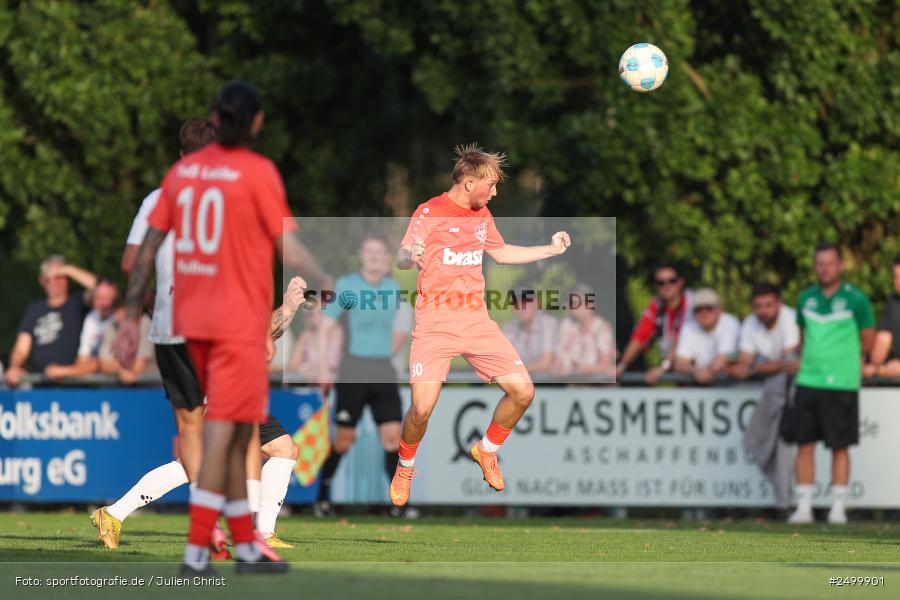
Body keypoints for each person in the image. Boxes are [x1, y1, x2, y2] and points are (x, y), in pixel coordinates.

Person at [116, 82, 301, 575]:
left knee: (195, 436)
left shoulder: (170, 187)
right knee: (238, 438)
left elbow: (136, 259)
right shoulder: (246, 177)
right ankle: (246, 543)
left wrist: (133, 318)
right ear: (252, 125)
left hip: (169, 331)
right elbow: (262, 256)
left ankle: (204, 546)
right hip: (220, 329)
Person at [389, 144, 571, 507]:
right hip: (435, 324)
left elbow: (501, 253)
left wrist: (549, 250)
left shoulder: (482, 213)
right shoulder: (429, 211)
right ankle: (406, 465)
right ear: (469, 182)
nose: (495, 191)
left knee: (523, 392)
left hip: (476, 322)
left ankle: (487, 449)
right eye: (491, 184)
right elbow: (403, 257)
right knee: (422, 409)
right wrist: (411, 255)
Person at [313, 234, 410, 517]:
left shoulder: (393, 289)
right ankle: (322, 498)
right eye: (369, 251)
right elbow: (325, 328)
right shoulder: (347, 286)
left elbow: (400, 333)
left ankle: (398, 503)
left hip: (383, 369)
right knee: (344, 439)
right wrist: (322, 366)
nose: (375, 256)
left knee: (393, 437)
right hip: (353, 368)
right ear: (361, 256)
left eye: (380, 252)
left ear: (386, 258)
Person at [788, 242, 875, 525]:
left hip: (841, 382)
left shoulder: (856, 299)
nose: (824, 268)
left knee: (840, 446)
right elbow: (803, 336)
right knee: (804, 445)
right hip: (808, 379)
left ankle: (838, 508)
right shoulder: (805, 298)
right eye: (819, 263)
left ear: (840, 266)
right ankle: (804, 507)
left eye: (830, 263)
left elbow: (868, 339)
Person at [5, 256, 99, 386]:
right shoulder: (34, 310)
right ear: (43, 281)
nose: (56, 282)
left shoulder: (78, 303)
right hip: (42, 385)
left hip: (76, 384)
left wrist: (68, 269)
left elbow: (101, 290)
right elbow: (21, 348)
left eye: (60, 277)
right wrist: (14, 367)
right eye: (50, 278)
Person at [616, 262, 695, 384]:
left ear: (681, 282)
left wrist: (663, 367)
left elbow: (683, 339)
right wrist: (621, 366)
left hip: (700, 369)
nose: (667, 286)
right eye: (661, 282)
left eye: (672, 281)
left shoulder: (691, 303)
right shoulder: (657, 305)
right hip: (681, 374)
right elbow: (640, 337)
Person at [732, 283, 801, 380]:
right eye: (758, 306)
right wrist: (750, 367)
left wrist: (753, 368)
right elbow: (744, 361)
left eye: (768, 305)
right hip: (766, 374)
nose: (763, 310)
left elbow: (789, 362)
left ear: (779, 303)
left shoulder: (791, 318)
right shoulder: (750, 322)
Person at [673, 288, 740, 384]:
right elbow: (679, 364)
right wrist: (697, 371)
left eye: (709, 308)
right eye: (698, 310)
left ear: (719, 310)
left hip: (735, 387)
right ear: (693, 313)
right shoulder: (689, 328)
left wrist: (705, 371)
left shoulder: (730, 323)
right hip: (707, 388)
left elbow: (724, 358)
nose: (704, 313)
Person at [551, 284, 616, 379]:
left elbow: (606, 366)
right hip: (573, 390)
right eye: (573, 303)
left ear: (591, 304)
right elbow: (557, 365)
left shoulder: (602, 328)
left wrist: (575, 370)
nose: (576, 307)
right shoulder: (568, 328)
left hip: (599, 390)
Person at [502, 284, 559, 376]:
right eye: (516, 303)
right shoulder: (510, 327)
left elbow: (545, 363)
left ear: (536, 303)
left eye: (525, 302)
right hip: (520, 384)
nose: (521, 307)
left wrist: (514, 369)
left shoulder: (548, 323)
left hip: (549, 384)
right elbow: (502, 361)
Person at [97, 305, 155, 384]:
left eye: (123, 310)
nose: (119, 315)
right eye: (117, 310)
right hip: (121, 387)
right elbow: (103, 364)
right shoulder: (113, 325)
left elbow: (139, 367)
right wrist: (121, 370)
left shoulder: (145, 322)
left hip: (151, 387)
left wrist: (116, 368)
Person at [864, 256, 900, 380]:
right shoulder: (893, 302)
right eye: (896, 276)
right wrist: (874, 366)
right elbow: (883, 340)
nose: (899, 282)